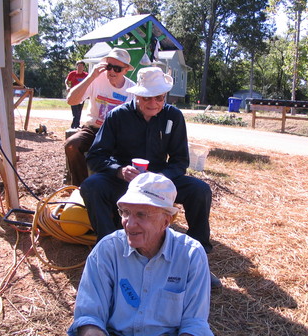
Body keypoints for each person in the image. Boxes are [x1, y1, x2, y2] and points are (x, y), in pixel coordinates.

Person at [80, 66, 221, 288]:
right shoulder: (117, 116)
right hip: (125, 180)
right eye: (148, 97)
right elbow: (97, 156)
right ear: (136, 94)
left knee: (199, 190)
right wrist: (119, 170)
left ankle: (197, 259)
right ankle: (108, 254)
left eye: (159, 97)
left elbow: (180, 161)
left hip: (160, 178)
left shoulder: (173, 117)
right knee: (91, 186)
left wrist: (160, 177)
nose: (154, 103)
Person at [68, 172, 213, 336]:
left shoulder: (191, 255)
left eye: (141, 214)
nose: (129, 224)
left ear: (166, 221)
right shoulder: (107, 250)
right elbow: (89, 316)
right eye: (126, 212)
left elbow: (194, 324)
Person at [64, 48, 135, 186]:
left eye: (117, 68)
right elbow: (71, 101)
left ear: (126, 70)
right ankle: (80, 187)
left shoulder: (131, 89)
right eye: (109, 67)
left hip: (116, 134)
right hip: (93, 129)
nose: (112, 72)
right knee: (72, 145)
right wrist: (91, 76)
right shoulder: (96, 80)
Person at [65, 60, 88, 129]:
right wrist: (67, 87)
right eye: (78, 66)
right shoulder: (72, 74)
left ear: (83, 67)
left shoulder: (86, 75)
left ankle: (75, 126)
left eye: (81, 66)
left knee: (79, 111)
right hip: (73, 95)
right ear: (76, 66)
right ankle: (75, 126)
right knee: (75, 111)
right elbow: (67, 81)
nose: (80, 67)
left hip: (81, 95)